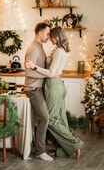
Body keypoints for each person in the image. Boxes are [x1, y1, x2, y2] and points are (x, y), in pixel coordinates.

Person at [26, 26, 84, 159]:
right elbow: (53, 71)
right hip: (57, 85)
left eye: (51, 36)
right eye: (48, 35)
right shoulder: (60, 50)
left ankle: (75, 144)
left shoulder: (58, 51)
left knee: (51, 119)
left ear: (56, 37)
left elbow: (51, 73)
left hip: (53, 86)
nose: (49, 38)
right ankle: (64, 150)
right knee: (60, 118)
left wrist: (33, 66)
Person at [24, 22, 58, 161]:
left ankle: (37, 147)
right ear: (40, 33)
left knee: (39, 119)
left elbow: (38, 67)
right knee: (44, 118)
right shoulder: (33, 48)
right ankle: (40, 151)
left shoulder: (40, 47)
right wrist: (48, 74)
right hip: (33, 89)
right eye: (48, 33)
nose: (49, 36)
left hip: (38, 88)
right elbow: (28, 71)